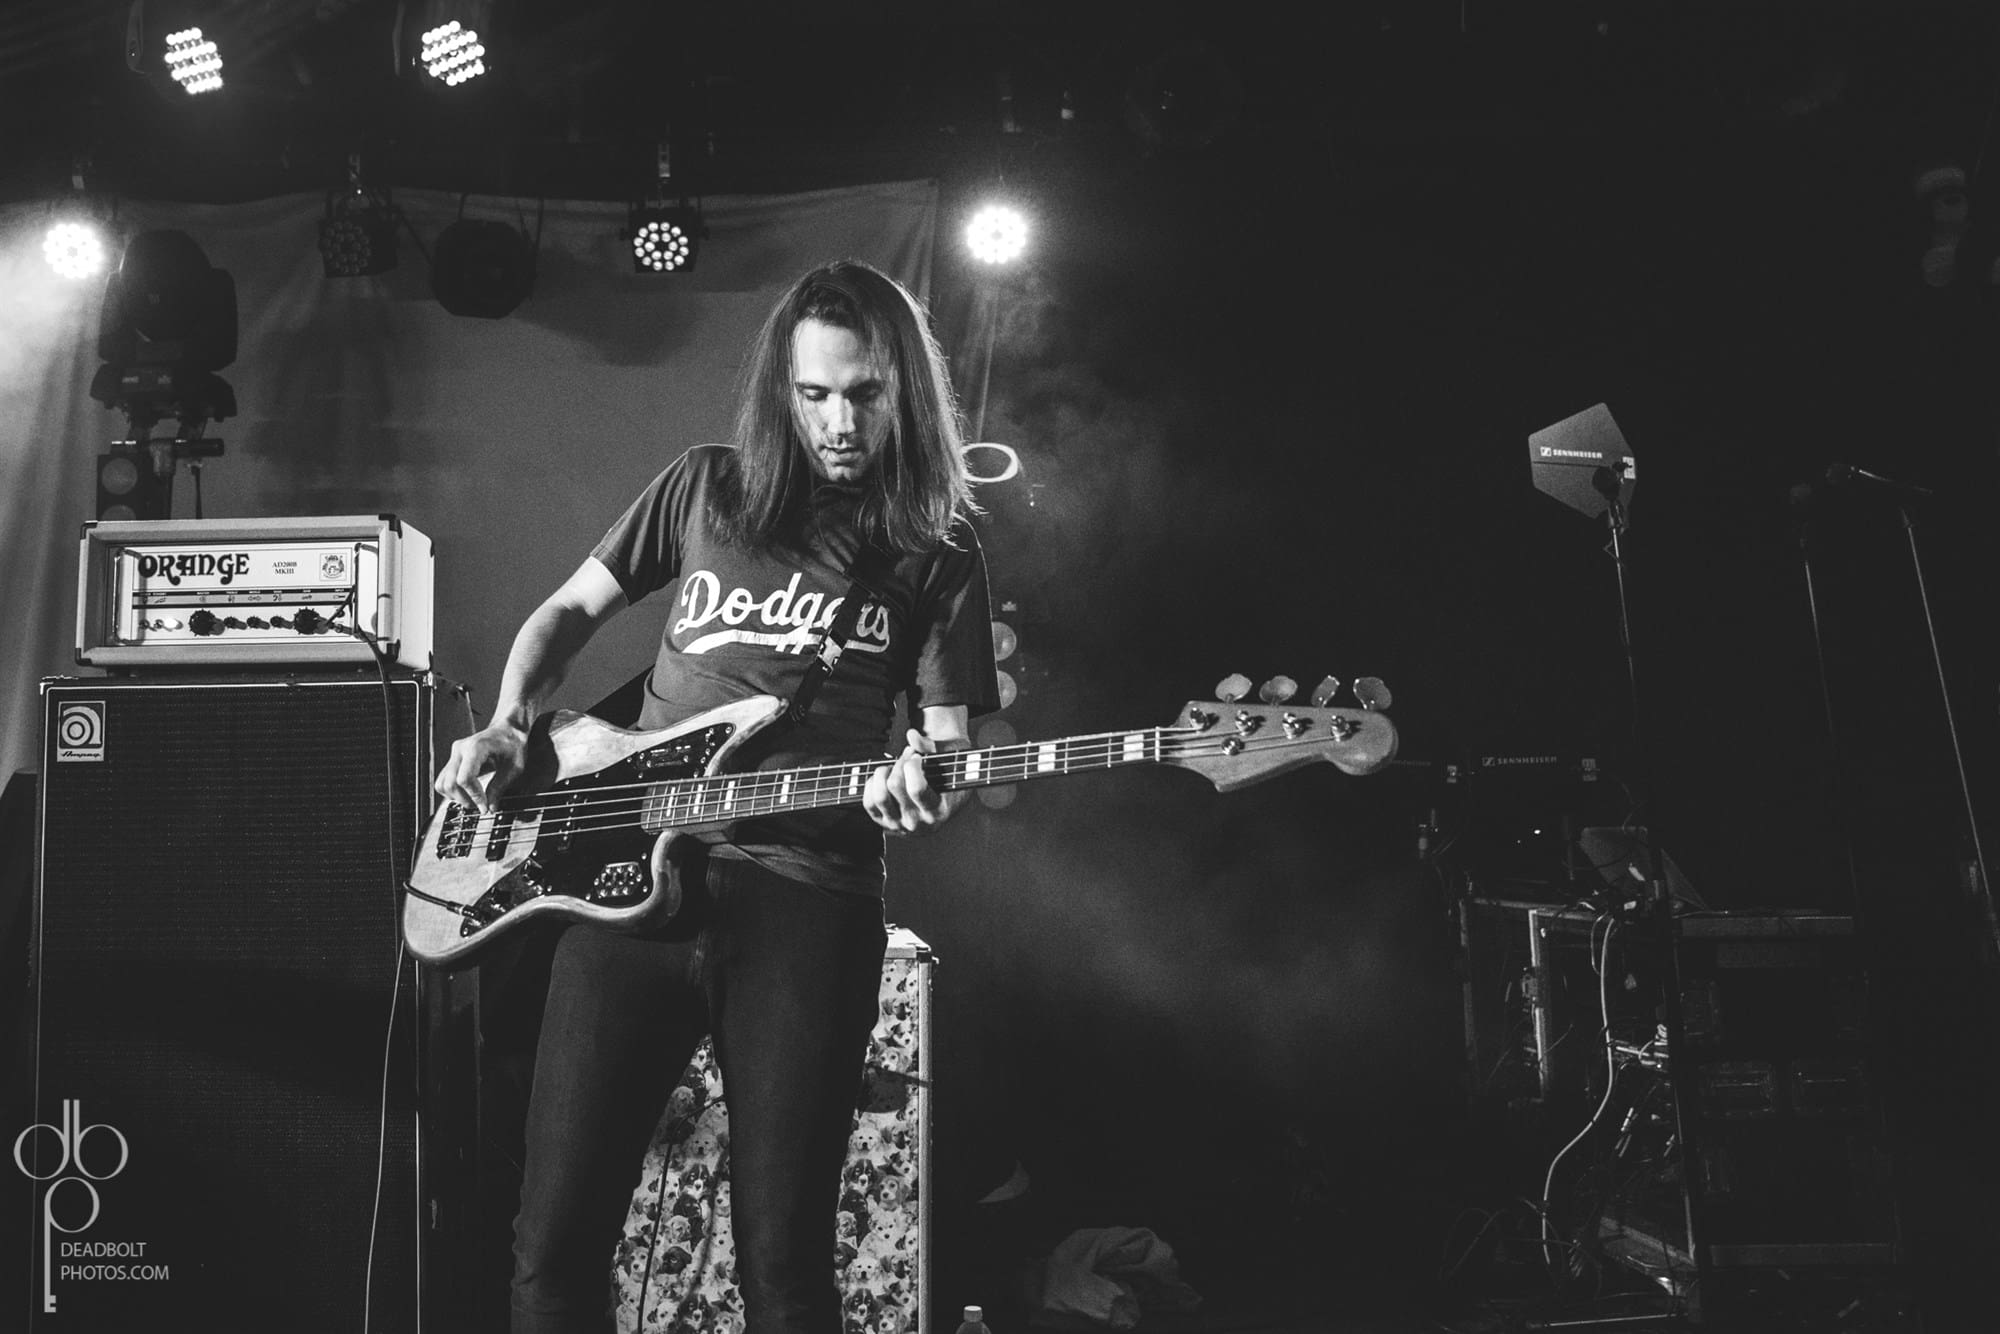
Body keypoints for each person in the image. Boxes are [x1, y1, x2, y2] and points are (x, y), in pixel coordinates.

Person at [433, 259, 1000, 1334]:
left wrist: (923, 789)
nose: (839, 422)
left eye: (866, 394)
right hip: (624, 893)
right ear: (782, 388)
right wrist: (509, 719)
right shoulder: (705, 486)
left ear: (906, 393)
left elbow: (947, 753)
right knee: (549, 1251)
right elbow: (567, 611)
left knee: (783, 1266)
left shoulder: (936, 545)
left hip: (807, 900)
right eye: (815, 393)